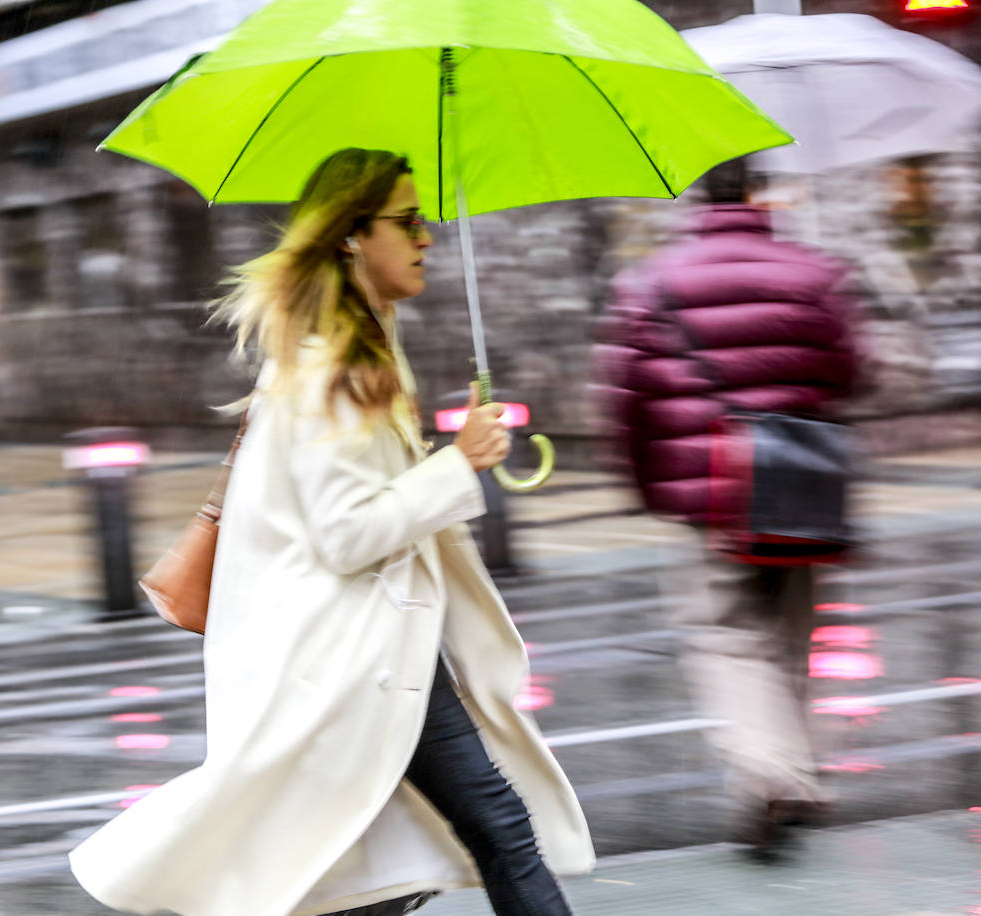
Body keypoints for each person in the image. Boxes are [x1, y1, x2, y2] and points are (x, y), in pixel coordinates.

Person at [70, 148, 594, 916]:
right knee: (491, 829)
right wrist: (458, 465)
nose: (426, 238)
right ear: (352, 235)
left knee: (370, 872)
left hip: (377, 650)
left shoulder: (362, 353)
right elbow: (348, 534)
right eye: (408, 221)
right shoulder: (328, 370)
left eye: (427, 220)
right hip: (357, 657)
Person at [593, 156, 865, 859]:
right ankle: (798, 775)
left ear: (697, 200)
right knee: (790, 636)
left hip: (709, 499)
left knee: (727, 640)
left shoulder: (649, 285)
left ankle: (769, 774)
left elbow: (627, 403)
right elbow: (851, 373)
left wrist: (648, 488)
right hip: (802, 491)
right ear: (756, 195)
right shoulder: (813, 274)